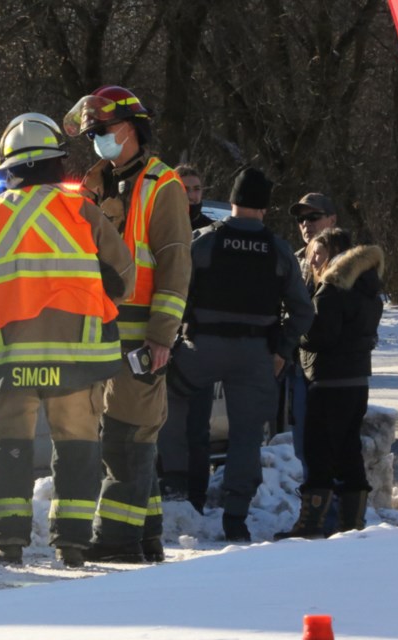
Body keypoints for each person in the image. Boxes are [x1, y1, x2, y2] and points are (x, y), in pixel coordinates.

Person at [0, 112, 134, 568]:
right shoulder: (82, 210)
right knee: (77, 446)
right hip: (78, 357)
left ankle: (6, 543)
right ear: (57, 163)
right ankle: (71, 544)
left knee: (8, 446)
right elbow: (123, 276)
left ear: (9, 167)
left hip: (6, 358)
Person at [63, 85, 192, 563]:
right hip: (102, 326)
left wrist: (162, 336)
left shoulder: (163, 185)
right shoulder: (96, 184)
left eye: (104, 132)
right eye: (93, 134)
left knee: (128, 432)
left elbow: (175, 264)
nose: (99, 141)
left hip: (139, 330)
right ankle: (146, 533)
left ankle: (117, 539)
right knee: (128, 431)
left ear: (133, 129)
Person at [160, 167, 313, 542]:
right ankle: (236, 517)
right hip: (255, 354)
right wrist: (282, 350)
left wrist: (171, 339)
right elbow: (303, 311)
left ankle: (177, 487)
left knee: (172, 402)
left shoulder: (205, 242)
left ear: (232, 202)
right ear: (264, 207)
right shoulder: (278, 250)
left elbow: (175, 291)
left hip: (201, 348)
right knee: (246, 434)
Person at [275, 228, 384, 539]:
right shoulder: (367, 287)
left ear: (336, 254)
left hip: (329, 380)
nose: (312, 261)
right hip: (356, 380)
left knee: (318, 451)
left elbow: (322, 335)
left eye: (317, 255)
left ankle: (310, 524)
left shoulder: (331, 290)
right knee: (349, 449)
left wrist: (296, 331)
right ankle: (353, 523)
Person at [157, 163, 216, 514]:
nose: (192, 196)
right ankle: (169, 483)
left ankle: (196, 492)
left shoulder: (211, 231)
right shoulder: (161, 225)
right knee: (165, 422)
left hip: (199, 339)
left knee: (198, 422)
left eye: (196, 189)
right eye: (185, 189)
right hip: (164, 333)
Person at [283, 193, 340, 468]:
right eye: (301, 219)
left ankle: (339, 510)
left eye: (313, 217)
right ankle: (312, 506)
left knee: (333, 446)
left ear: (332, 219)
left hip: (334, 371)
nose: (306, 224)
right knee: (302, 445)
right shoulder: (294, 260)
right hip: (297, 367)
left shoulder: (351, 262)